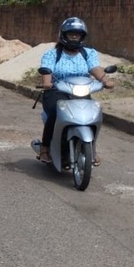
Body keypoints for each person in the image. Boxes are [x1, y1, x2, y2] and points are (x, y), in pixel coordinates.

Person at [37, 17, 114, 165]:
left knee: (92, 115)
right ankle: (45, 147)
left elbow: (94, 68)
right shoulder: (52, 54)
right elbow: (47, 70)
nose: (74, 36)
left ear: (82, 36)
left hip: (81, 91)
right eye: (71, 33)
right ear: (63, 35)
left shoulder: (89, 53)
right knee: (55, 112)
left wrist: (105, 80)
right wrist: (47, 83)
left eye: (77, 34)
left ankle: (91, 147)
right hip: (57, 91)